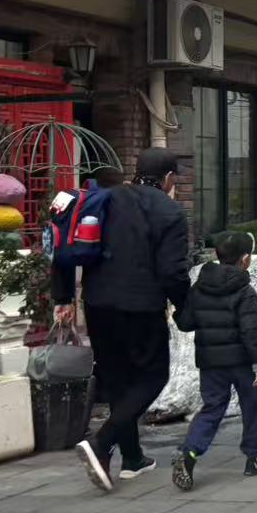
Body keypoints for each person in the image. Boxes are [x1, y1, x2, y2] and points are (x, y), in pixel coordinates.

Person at [54, 147, 190, 492]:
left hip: (97, 303)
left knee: (118, 379)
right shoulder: (170, 211)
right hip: (141, 306)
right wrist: (186, 308)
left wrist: (63, 297)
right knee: (153, 375)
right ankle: (102, 443)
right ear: (168, 179)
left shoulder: (104, 199)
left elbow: (63, 245)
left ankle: (132, 458)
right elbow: (172, 272)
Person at [171, 230, 257, 490]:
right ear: (245, 259)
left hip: (210, 360)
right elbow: (251, 331)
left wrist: (177, 310)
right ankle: (255, 458)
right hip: (241, 361)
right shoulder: (244, 290)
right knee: (253, 405)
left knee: (213, 406)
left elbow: (186, 322)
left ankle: (189, 452)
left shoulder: (200, 286)